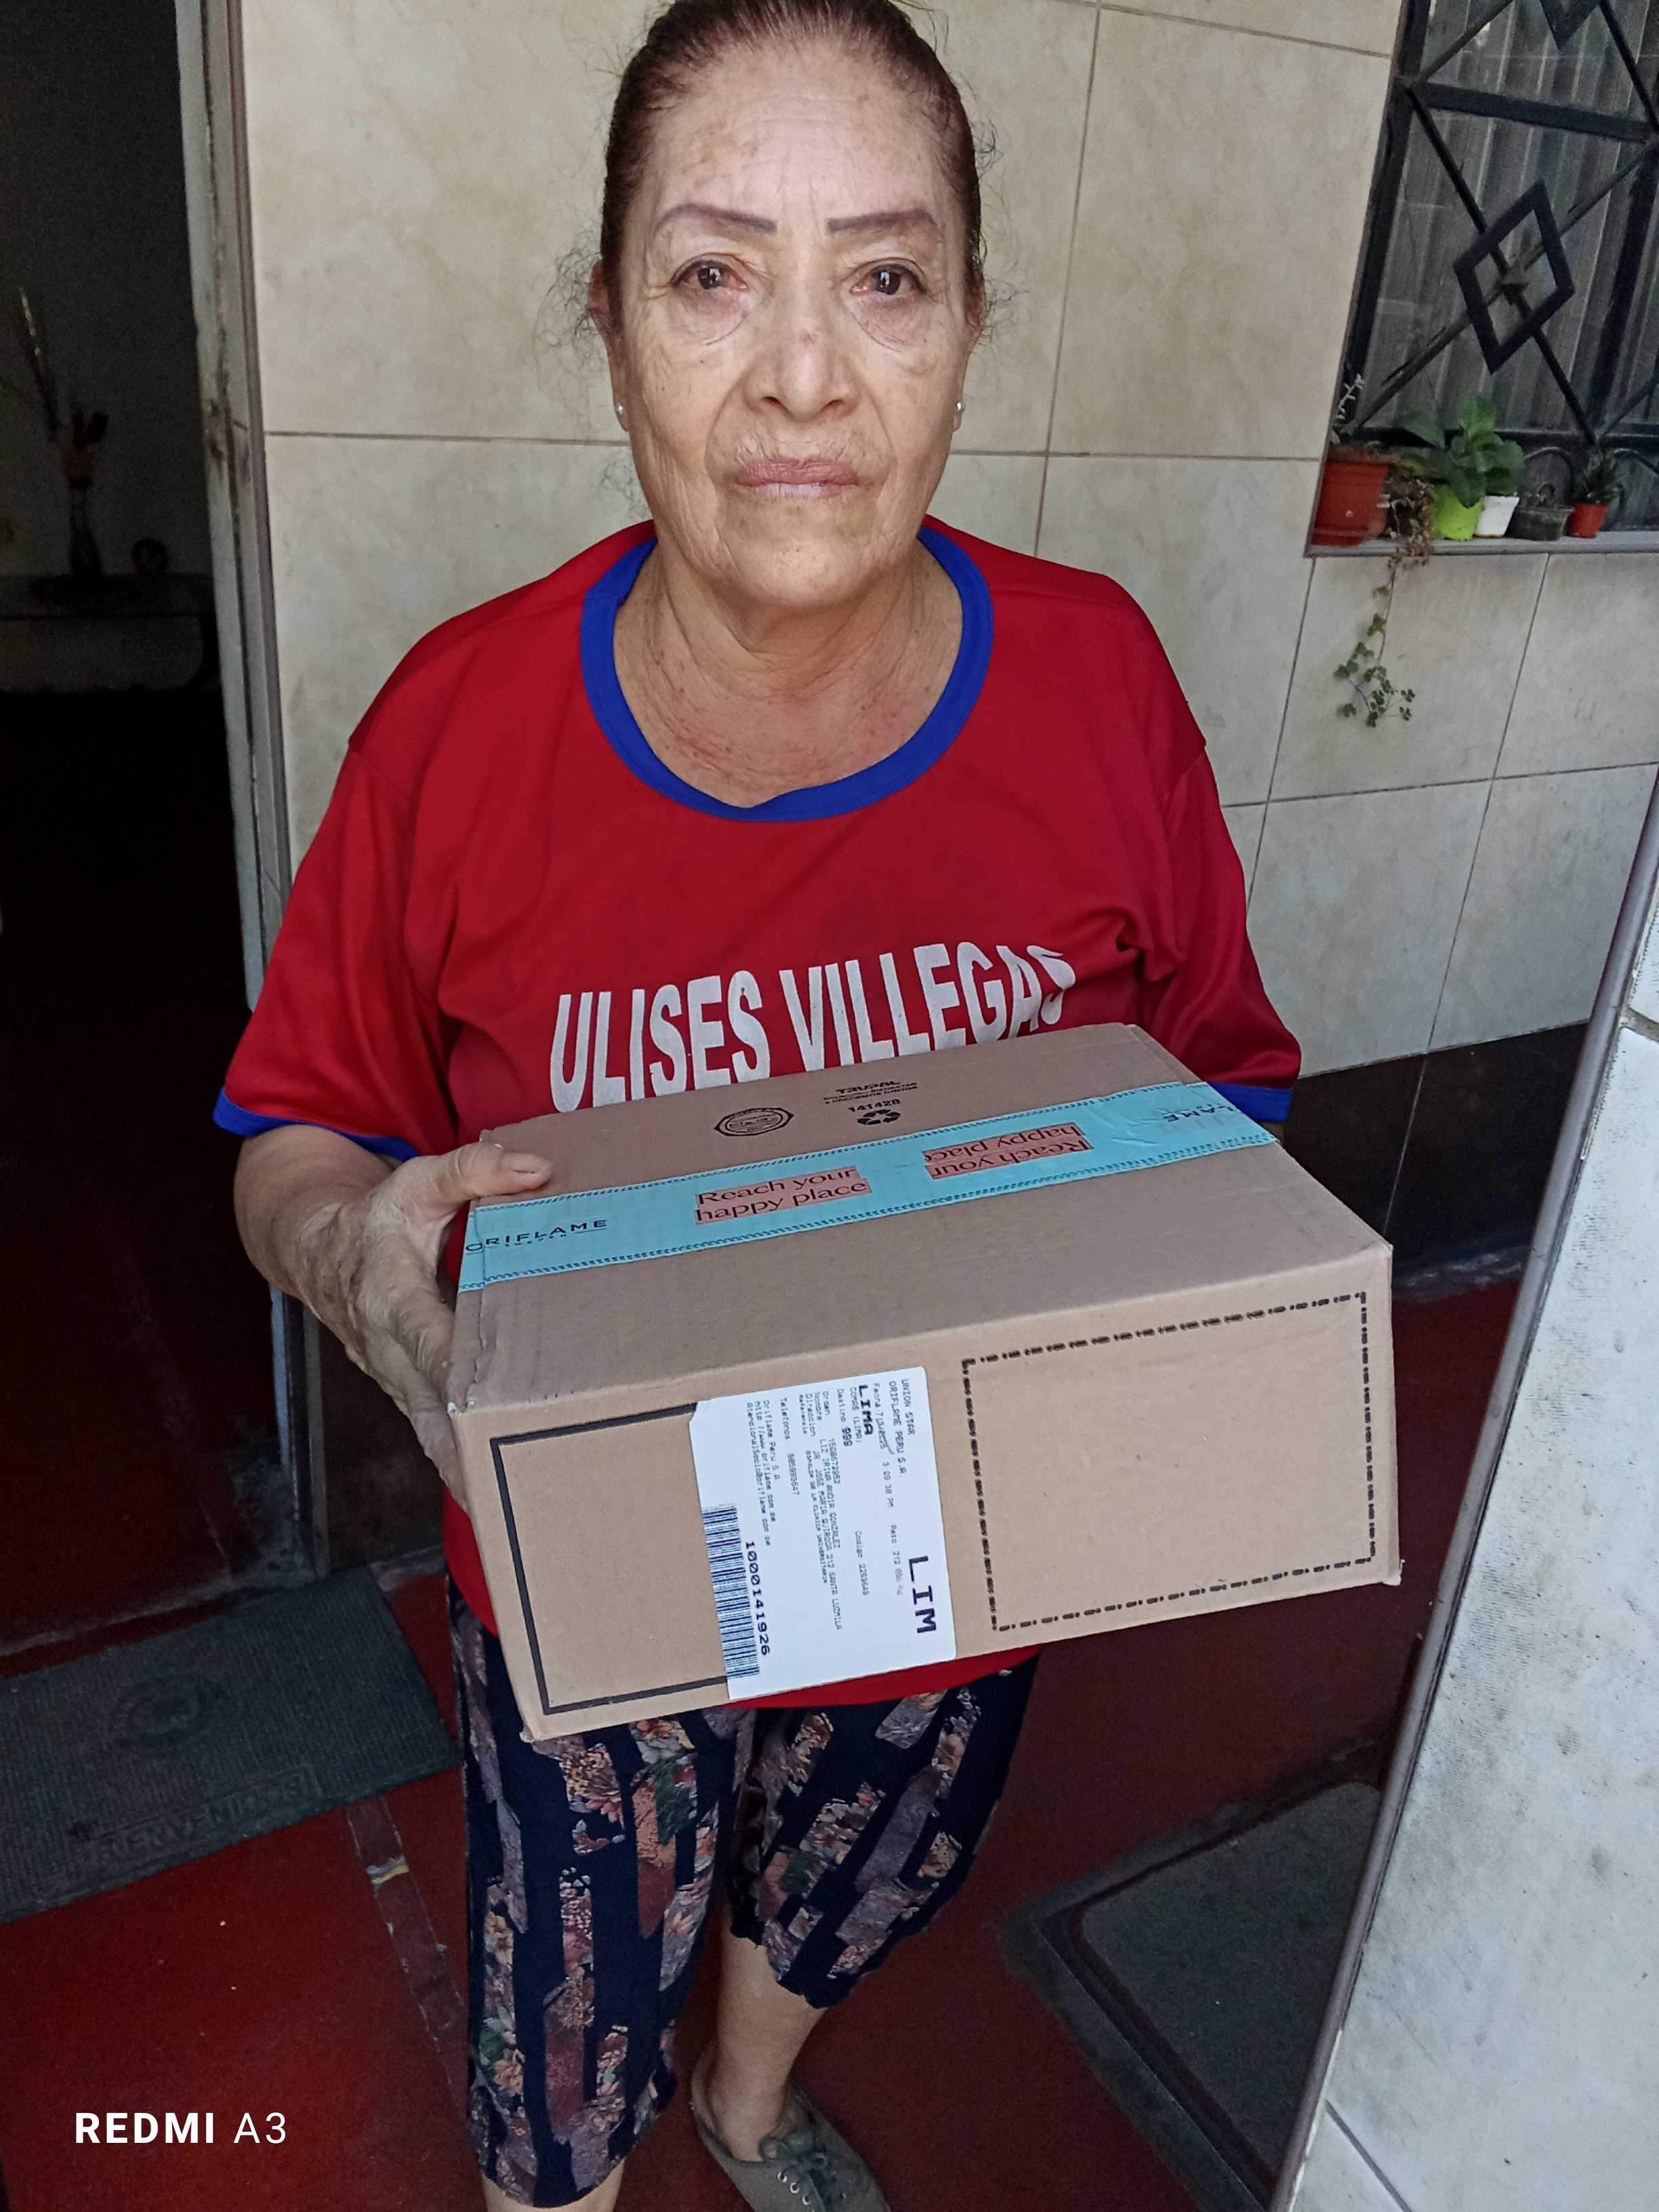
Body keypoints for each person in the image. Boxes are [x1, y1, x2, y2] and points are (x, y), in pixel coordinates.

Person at [218, 2, 1299, 2205]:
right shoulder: (455, 731)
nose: (804, 375)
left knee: (856, 1874)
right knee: (559, 2020)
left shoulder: (1096, 683)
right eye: (715, 273)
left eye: (885, 276)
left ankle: (747, 2097)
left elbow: (1230, 1085)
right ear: (609, 324)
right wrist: (350, 1258)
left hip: (962, 1547)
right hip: (593, 1566)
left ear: (969, 325)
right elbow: (297, 1135)